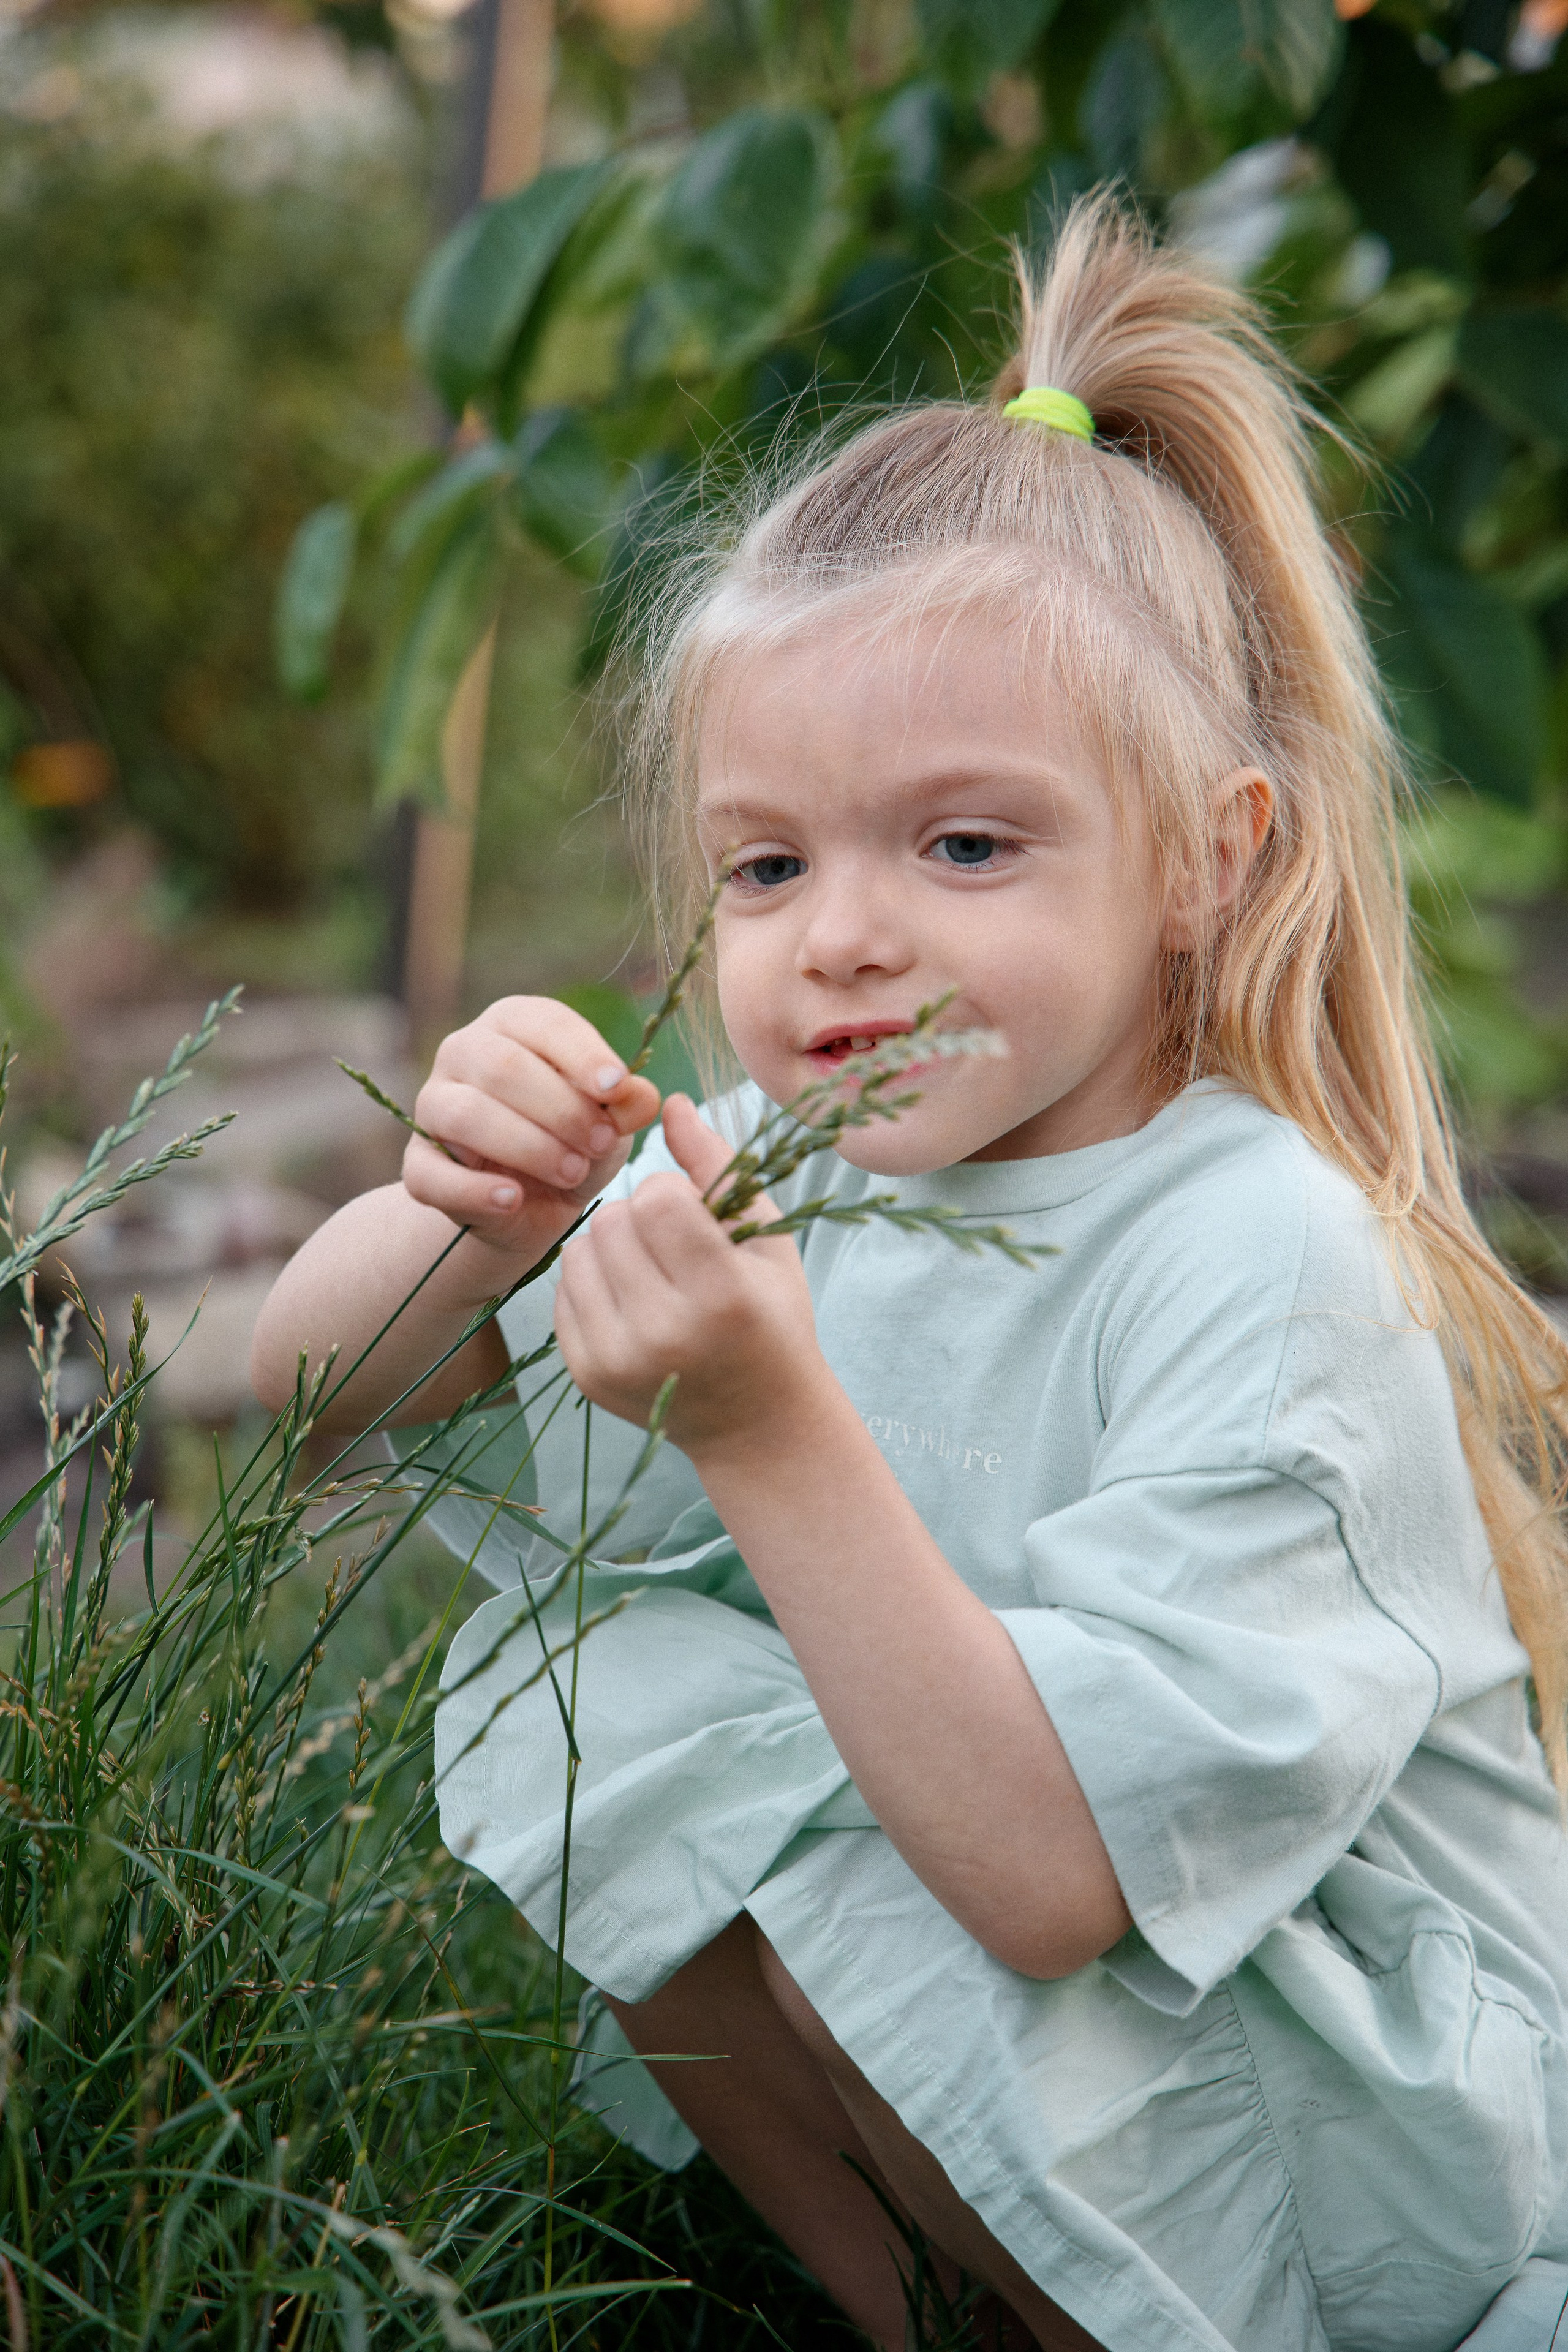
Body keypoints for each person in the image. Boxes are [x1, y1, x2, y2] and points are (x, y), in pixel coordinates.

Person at [251, 197, 1568, 2352]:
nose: (840, 934)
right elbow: (312, 1402)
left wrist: (764, 1425)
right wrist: (467, 1214)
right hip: (1123, 2034)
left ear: (1206, 864)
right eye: (769, 864)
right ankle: (930, 2318)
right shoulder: (794, 1168)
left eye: (964, 845)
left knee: (752, 1740)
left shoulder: (1257, 1249)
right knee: (607, 1700)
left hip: (1392, 2162)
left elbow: (1056, 1881)